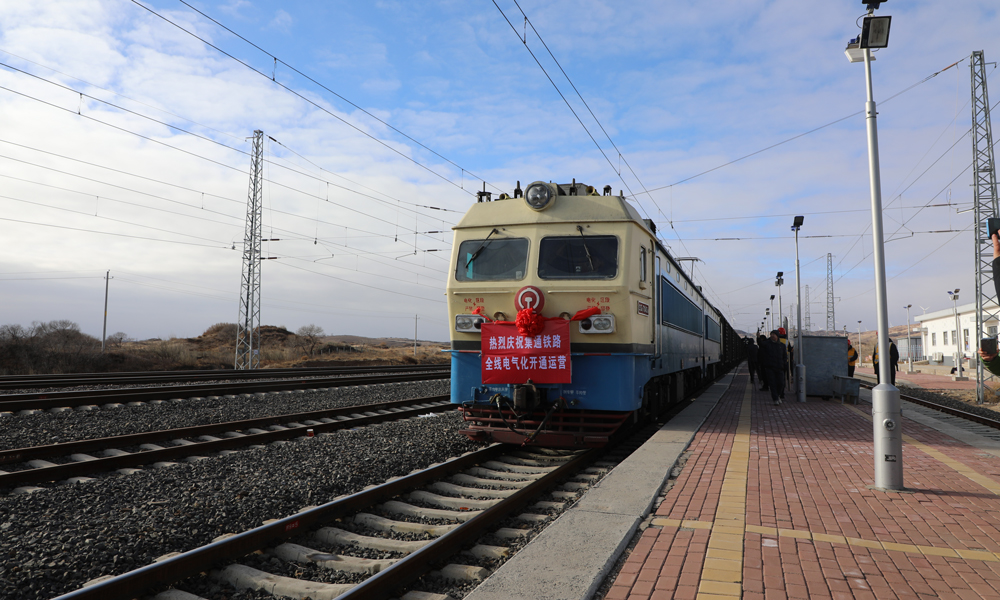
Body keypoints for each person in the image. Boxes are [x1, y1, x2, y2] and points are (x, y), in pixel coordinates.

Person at [759, 330, 787, 405]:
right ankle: (775, 399)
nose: (772, 336)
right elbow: (761, 344)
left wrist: (784, 364)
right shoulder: (767, 344)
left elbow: (785, 356)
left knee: (781, 383)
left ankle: (778, 395)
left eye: (774, 334)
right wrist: (758, 337)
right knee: (772, 384)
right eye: (771, 334)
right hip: (770, 367)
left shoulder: (782, 345)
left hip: (780, 367)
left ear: (777, 336)